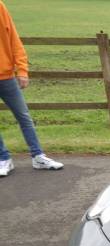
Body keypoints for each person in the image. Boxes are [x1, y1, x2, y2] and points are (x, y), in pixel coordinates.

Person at [0, 0, 62, 177]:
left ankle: (38, 156)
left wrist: (22, 70)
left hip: (6, 76)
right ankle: (4, 159)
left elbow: (13, 38)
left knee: (23, 116)